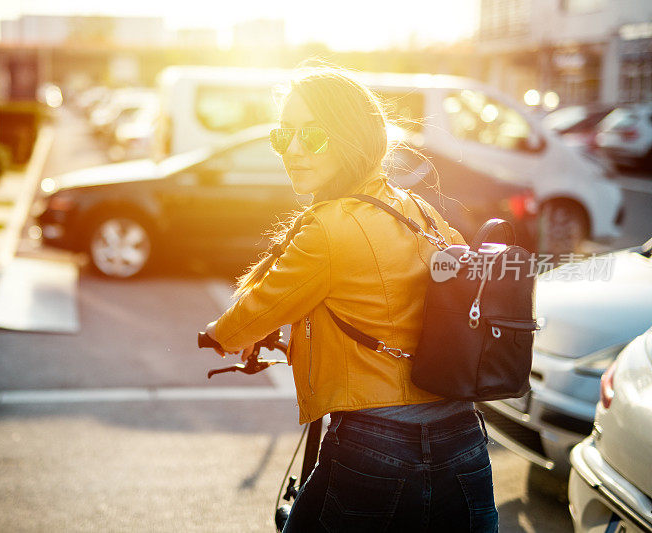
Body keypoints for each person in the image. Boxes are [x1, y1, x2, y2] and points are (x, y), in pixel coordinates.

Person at [203, 65, 499, 532]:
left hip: (375, 444)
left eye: (313, 136)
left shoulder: (328, 227)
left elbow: (252, 315)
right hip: (463, 440)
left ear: (350, 137)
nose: (294, 151)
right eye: (283, 137)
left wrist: (217, 336)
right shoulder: (419, 210)